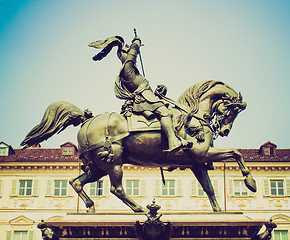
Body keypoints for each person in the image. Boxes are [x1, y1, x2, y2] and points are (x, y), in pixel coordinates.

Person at [114, 36, 192, 153]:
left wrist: (159, 92)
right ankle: (173, 141)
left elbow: (148, 91)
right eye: (127, 51)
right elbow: (133, 55)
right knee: (165, 113)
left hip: (148, 98)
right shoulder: (127, 69)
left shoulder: (134, 73)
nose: (130, 52)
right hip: (144, 100)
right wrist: (136, 43)